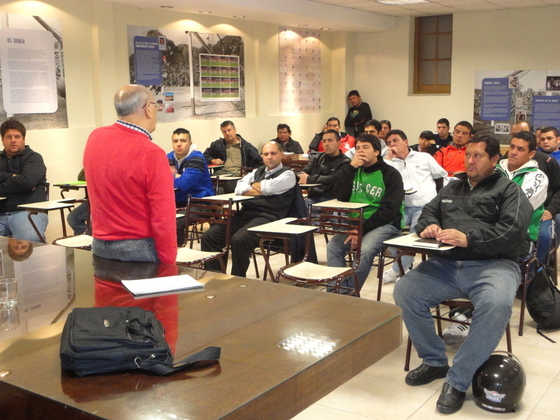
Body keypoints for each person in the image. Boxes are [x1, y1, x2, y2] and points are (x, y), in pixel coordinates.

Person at [394, 135, 532, 415]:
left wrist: (469, 238)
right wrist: (429, 226)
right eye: (468, 154)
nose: (470, 160)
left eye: (478, 156)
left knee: (496, 305)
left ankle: (458, 380)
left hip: (493, 265)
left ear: (495, 160)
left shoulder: (509, 191)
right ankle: (434, 361)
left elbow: (511, 232)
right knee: (405, 291)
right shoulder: (452, 187)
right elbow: (426, 214)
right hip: (447, 265)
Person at [83, 84, 177, 264]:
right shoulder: (151, 153)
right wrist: (168, 263)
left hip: (100, 244)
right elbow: (163, 217)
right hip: (138, 249)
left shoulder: (95, 138)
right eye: (155, 105)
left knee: (108, 293)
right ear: (148, 109)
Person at [201, 141, 296, 277]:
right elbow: (239, 188)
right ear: (261, 156)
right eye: (266, 154)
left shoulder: (288, 175)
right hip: (246, 214)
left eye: (273, 153)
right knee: (209, 236)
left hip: (269, 217)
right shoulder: (257, 171)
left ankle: (237, 279)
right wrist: (260, 188)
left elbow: (268, 188)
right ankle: (216, 276)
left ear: (281, 155)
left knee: (239, 240)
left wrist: (254, 186)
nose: (269, 157)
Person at [327, 134, 404, 292]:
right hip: (356, 222)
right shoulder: (353, 170)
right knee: (333, 247)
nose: (360, 151)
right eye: (358, 148)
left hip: (384, 224)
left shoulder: (391, 174)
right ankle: (338, 293)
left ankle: (348, 294)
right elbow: (341, 196)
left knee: (365, 250)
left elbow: (389, 210)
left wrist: (361, 229)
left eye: (365, 147)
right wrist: (350, 168)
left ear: (376, 152)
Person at [383, 129, 447, 283]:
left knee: (413, 237)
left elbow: (442, 175)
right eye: (389, 143)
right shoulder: (389, 163)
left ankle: (400, 270)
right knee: (385, 232)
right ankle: (403, 266)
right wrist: (389, 159)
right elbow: (382, 180)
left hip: (424, 205)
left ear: (405, 142)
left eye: (395, 141)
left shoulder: (423, 157)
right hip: (402, 206)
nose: (392, 145)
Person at [0, 119, 48, 242]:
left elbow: (26, 182)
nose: (13, 140)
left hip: (28, 212)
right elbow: (22, 184)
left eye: (17, 136)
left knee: (29, 241)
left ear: (24, 139)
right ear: (2, 140)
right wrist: (12, 178)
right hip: (1, 213)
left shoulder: (34, 158)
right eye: (8, 137)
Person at [168, 128, 214, 246]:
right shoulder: (168, 157)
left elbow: (183, 183)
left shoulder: (197, 158)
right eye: (175, 141)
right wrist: (176, 177)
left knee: (175, 222)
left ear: (190, 143)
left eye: (183, 140)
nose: (178, 144)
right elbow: (158, 180)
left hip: (200, 202)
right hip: (178, 202)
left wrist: (172, 177)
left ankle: (176, 257)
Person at [298, 130, 350, 205]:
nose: (326, 144)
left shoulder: (345, 162)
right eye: (324, 141)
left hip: (334, 200)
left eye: (330, 140)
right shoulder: (317, 158)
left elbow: (333, 179)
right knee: (296, 208)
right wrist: (302, 177)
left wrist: (309, 179)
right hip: (314, 198)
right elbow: (302, 174)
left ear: (339, 143)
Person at [66, 169, 90, 235]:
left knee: (73, 218)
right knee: (73, 218)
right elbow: (81, 177)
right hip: (93, 198)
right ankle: (88, 237)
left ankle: (89, 238)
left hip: (103, 199)